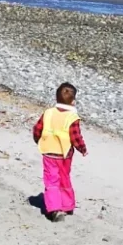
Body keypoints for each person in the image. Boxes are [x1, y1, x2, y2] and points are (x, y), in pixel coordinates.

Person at [33, 82, 87, 222]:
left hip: (49, 152)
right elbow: (75, 137)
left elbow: (37, 129)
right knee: (64, 178)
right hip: (64, 154)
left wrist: (37, 139)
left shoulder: (48, 113)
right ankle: (66, 205)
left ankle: (55, 208)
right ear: (73, 102)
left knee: (51, 180)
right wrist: (83, 149)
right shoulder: (71, 117)